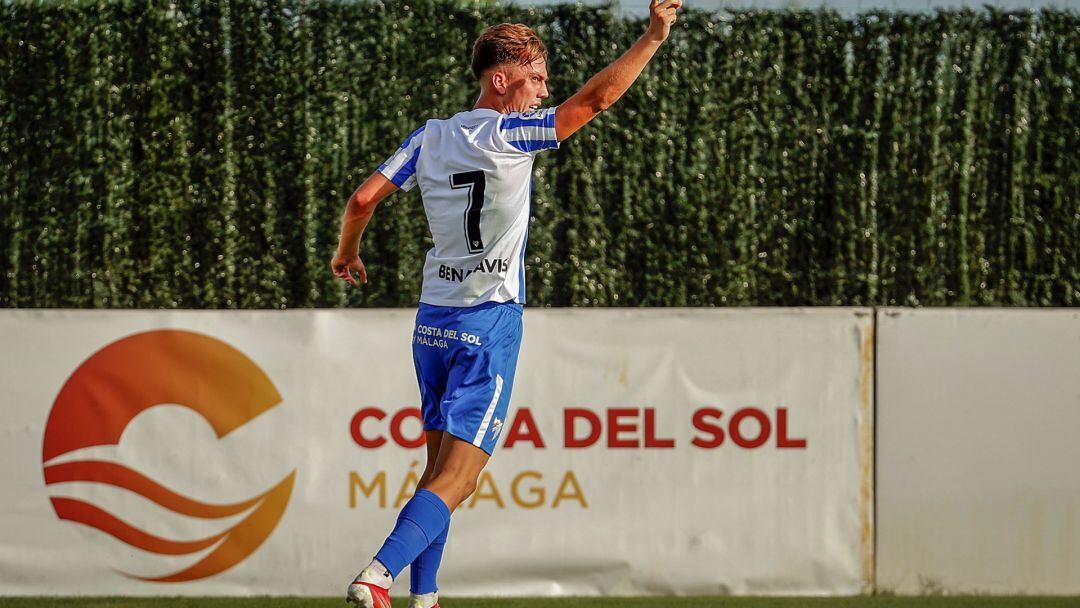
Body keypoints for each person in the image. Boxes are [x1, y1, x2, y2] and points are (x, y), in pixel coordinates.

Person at [331, 1, 681, 606]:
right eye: (537, 78)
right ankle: (377, 575)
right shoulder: (510, 134)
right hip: (489, 322)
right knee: (461, 477)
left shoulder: (430, 136)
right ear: (501, 79)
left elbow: (362, 200)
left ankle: (426, 596)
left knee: (439, 474)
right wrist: (653, 35)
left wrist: (348, 253)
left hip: (432, 324)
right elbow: (593, 104)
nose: (544, 90)